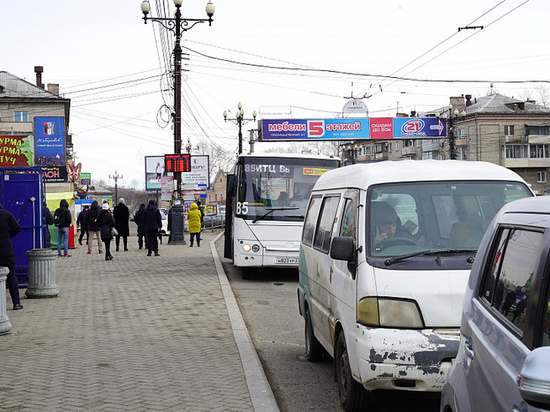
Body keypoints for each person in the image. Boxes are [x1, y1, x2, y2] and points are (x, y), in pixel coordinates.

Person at [0, 203, 23, 310]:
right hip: (6, 250)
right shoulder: (6, 214)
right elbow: (17, 228)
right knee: (12, 276)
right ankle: (16, 303)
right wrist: (7, 235)